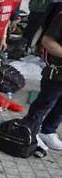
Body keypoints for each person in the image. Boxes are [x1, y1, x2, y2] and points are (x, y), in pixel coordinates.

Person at [23, 12, 62, 150]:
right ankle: (29, 131)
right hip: (57, 71)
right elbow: (47, 41)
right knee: (45, 103)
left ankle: (48, 131)